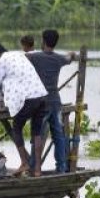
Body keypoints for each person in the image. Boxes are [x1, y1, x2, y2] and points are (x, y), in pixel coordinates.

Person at [0, 50, 48, 177]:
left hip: (28, 98)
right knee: (36, 133)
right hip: (41, 95)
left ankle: (24, 163)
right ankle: (37, 169)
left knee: (16, 127)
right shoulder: (19, 55)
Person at [26, 29, 75, 173]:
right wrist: (72, 54)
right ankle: (61, 167)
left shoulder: (36, 57)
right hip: (55, 101)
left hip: (41, 103)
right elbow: (69, 58)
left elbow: (23, 57)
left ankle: (34, 165)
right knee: (58, 134)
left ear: (43, 41)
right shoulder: (58, 59)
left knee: (38, 135)